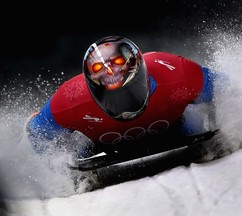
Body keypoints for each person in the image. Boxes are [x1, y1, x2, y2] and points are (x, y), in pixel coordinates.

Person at [25, 35, 226, 163]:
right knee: (76, 150)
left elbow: (226, 89)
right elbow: (36, 131)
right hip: (100, 144)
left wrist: (228, 129)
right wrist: (58, 166)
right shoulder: (71, 100)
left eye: (128, 90)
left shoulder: (176, 74)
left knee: (195, 123)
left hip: (177, 127)